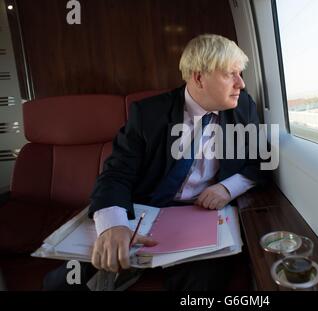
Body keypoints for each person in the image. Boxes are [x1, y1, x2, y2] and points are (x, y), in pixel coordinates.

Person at [43, 33, 268, 290]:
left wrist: (228, 187)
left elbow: (262, 160)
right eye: (231, 74)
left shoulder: (243, 107)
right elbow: (116, 173)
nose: (240, 83)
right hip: (140, 211)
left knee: (203, 285)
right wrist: (114, 226)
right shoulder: (148, 113)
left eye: (241, 74)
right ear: (198, 77)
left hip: (200, 216)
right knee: (64, 283)